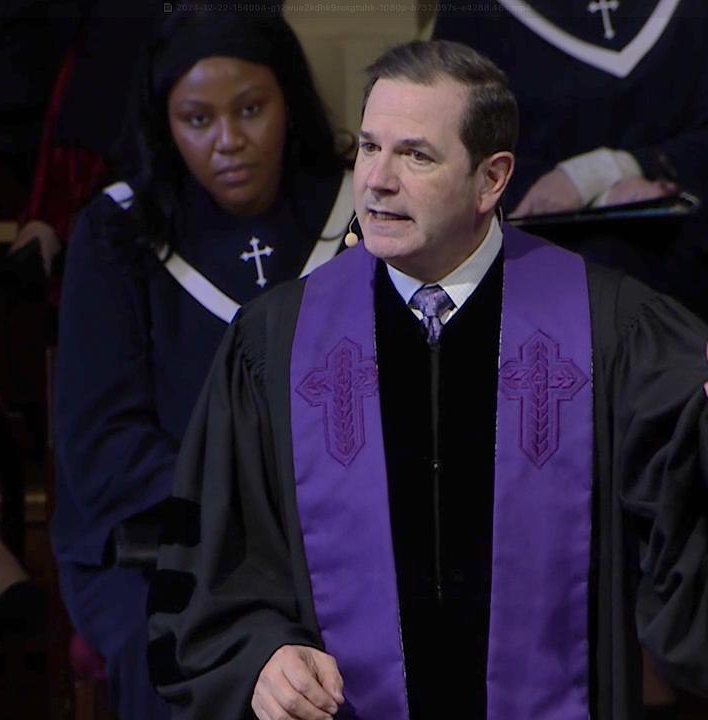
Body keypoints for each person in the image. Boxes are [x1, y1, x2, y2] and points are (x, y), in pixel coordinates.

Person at [147, 40, 708, 720]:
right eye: (369, 148)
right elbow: (215, 567)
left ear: (491, 179)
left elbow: (687, 529)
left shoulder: (612, 331)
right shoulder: (277, 343)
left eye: (415, 154)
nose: (376, 180)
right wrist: (259, 654)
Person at [51, 10, 352, 719]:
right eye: (197, 119)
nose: (229, 143)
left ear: (290, 101)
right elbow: (103, 447)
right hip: (166, 543)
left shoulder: (354, 215)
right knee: (177, 656)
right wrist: (246, 497)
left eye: (252, 109)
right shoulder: (118, 233)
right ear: (165, 123)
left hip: (330, 533)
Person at [432, 0, 708, 320]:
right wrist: (596, 194)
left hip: (687, 265)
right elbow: (455, 146)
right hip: (542, 271)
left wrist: (614, 170)